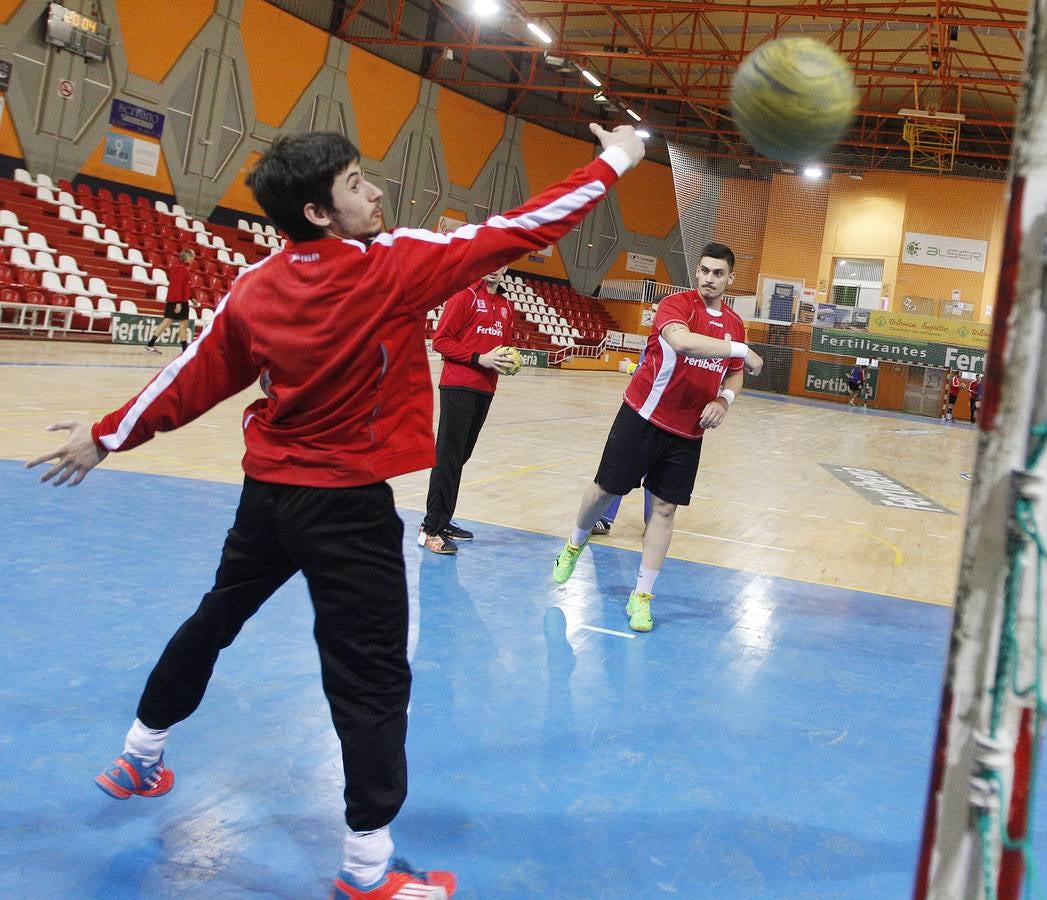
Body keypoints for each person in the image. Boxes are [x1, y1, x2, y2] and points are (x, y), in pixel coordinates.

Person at [28, 123, 644, 898]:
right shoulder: (390, 269)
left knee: (215, 618)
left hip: (269, 497)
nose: (374, 191)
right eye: (357, 182)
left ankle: (140, 752)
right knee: (371, 680)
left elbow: (191, 377)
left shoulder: (254, 287)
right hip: (347, 508)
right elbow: (525, 228)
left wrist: (106, 434)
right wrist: (617, 158)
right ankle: (366, 873)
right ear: (320, 212)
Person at [550, 242, 763, 632]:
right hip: (642, 417)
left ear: (730, 279)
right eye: (704, 270)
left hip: (687, 432)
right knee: (604, 491)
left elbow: (735, 372)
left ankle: (642, 596)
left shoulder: (734, 323)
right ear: (696, 273)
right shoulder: (676, 306)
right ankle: (573, 545)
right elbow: (682, 342)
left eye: (718, 273)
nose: (709, 278)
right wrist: (742, 348)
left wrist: (725, 400)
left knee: (665, 511)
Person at [417, 266, 520, 555]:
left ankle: (443, 519)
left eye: (501, 264)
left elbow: (502, 347)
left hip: (485, 390)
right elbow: (441, 341)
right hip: (458, 386)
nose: (494, 270)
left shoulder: (505, 306)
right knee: (447, 458)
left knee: (461, 456)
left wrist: (506, 361)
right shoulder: (464, 296)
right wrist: (479, 358)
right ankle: (430, 529)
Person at [144, 247, 197, 354]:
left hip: (174, 299)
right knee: (183, 323)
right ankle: (184, 349)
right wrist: (178, 303)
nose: (193, 259)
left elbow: (184, 286)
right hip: (179, 301)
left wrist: (192, 297)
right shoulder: (182, 270)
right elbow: (178, 287)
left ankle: (150, 344)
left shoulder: (180, 269)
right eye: (192, 257)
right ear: (187, 257)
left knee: (167, 321)